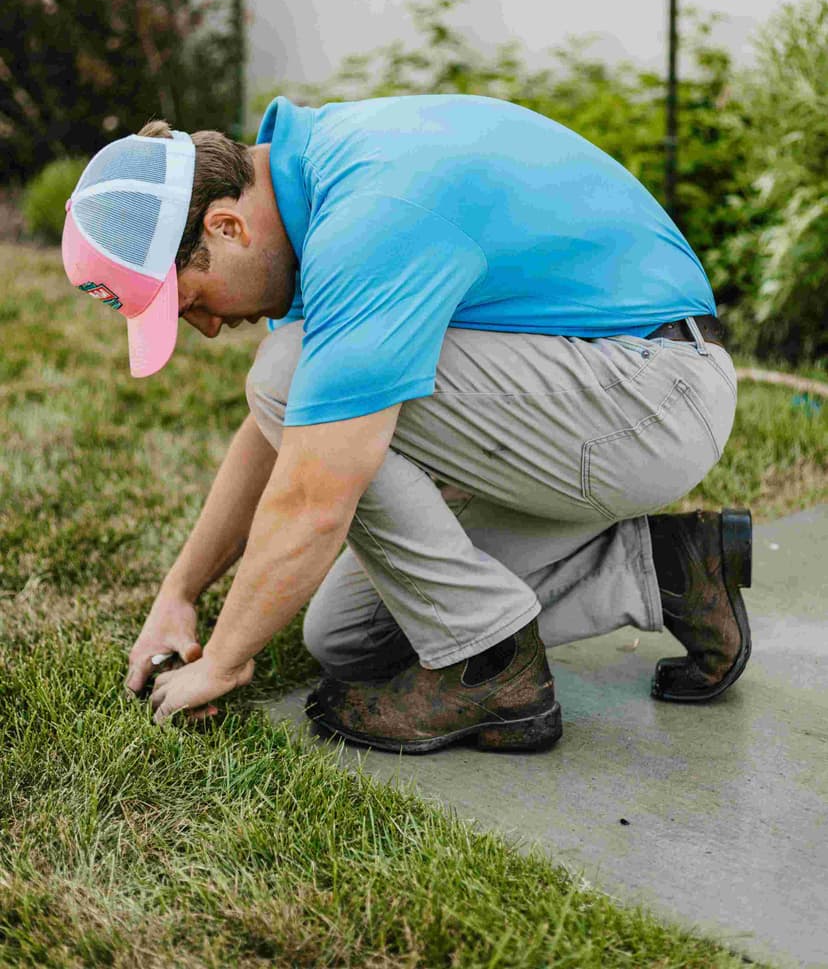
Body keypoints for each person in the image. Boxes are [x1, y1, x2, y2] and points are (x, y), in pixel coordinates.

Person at [61, 94, 752, 752]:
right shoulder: (309, 193)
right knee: (350, 636)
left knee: (285, 372)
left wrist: (223, 662)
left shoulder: (368, 216)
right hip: (601, 395)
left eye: (192, 303)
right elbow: (281, 432)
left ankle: (492, 664)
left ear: (226, 227)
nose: (210, 328)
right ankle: (664, 568)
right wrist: (180, 592)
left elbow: (312, 493)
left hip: (654, 393)